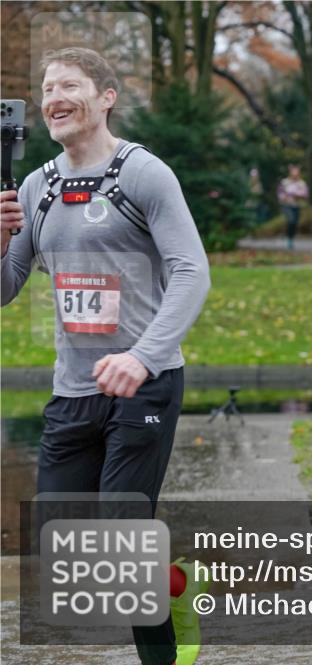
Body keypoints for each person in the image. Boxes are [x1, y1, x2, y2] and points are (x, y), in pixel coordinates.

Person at [0, 47, 211, 665]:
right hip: (74, 388)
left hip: (143, 383)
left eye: (69, 85)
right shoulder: (37, 186)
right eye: (46, 89)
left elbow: (191, 272)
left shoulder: (142, 174)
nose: (54, 98)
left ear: (107, 96)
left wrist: (143, 358)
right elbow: (5, 290)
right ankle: (174, 584)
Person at [277, 164, 308, 249]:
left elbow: (305, 194)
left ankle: (291, 237)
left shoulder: (301, 183)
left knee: (294, 223)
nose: (295, 175)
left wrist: (297, 195)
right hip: (287, 205)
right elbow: (280, 192)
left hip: (296, 205)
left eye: (296, 173)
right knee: (291, 220)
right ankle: (289, 239)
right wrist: (284, 197)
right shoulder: (285, 182)